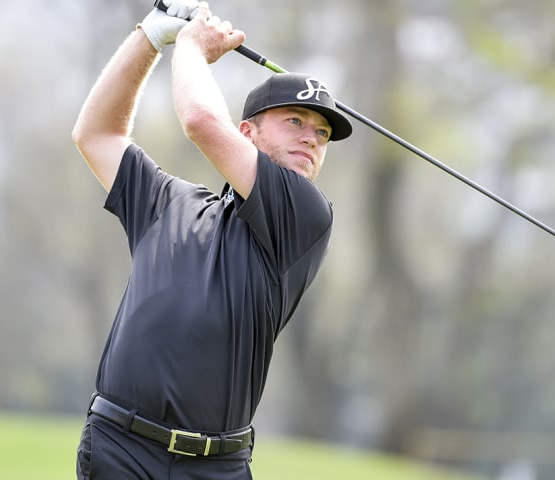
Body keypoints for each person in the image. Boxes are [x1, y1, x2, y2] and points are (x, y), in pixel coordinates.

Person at [71, 0, 352, 478]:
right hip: (119, 448)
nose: (312, 138)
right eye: (295, 122)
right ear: (247, 132)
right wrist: (150, 36)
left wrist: (191, 48)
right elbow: (96, 134)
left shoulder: (306, 214)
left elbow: (200, 121)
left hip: (216, 465)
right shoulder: (169, 203)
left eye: (322, 133)